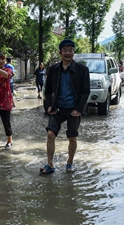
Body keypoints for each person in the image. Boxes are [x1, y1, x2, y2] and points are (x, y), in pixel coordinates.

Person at [40, 39, 90, 174]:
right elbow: (48, 90)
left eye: (70, 50)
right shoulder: (54, 70)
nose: (68, 53)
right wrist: (49, 105)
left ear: (74, 52)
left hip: (74, 109)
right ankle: (50, 164)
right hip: (57, 108)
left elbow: (85, 92)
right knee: (50, 134)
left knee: (72, 137)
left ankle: (69, 163)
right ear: (60, 52)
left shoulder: (82, 70)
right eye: (65, 50)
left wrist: (79, 109)